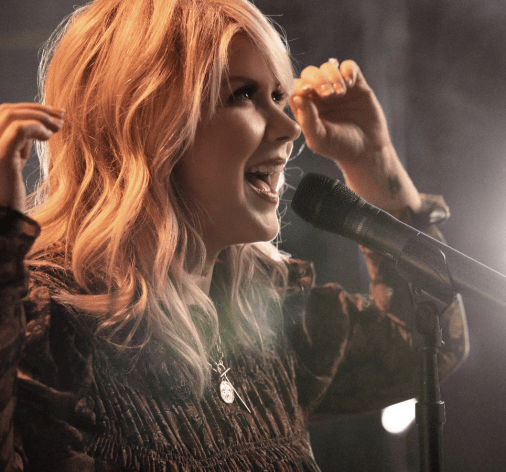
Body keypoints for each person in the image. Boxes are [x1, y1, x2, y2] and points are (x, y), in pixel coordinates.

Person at [0, 0, 468, 469]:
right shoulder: (43, 321)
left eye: (279, 96)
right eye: (243, 94)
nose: (289, 128)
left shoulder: (260, 308)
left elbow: (424, 345)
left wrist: (374, 159)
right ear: (146, 121)